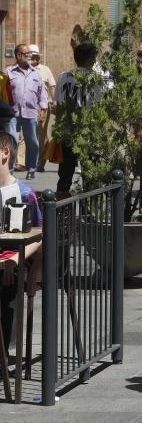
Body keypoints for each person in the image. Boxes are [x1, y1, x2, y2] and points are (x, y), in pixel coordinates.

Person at [0, 130, 42, 359]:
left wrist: (14, 260)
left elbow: (38, 235)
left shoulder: (25, 194)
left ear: (4, 153)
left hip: (12, 262)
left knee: (6, 292)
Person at [54, 43, 102, 198]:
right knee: (89, 171)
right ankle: (87, 211)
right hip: (88, 129)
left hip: (67, 129)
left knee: (65, 172)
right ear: (90, 59)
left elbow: (58, 103)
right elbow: (99, 105)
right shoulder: (95, 80)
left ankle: (61, 211)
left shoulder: (63, 77)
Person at [6, 44, 47, 179]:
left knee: (32, 142)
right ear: (18, 56)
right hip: (12, 114)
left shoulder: (35, 73)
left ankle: (31, 169)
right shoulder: (8, 72)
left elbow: (42, 93)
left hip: (30, 113)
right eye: (27, 53)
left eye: (30, 53)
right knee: (11, 141)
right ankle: (9, 169)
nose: (30, 55)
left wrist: (43, 108)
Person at [27, 45, 56, 172]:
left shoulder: (45, 69)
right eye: (32, 57)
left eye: (36, 57)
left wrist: (54, 101)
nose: (34, 59)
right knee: (27, 134)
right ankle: (25, 161)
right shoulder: (23, 69)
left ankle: (40, 162)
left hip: (41, 106)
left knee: (41, 134)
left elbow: (52, 86)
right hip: (26, 106)